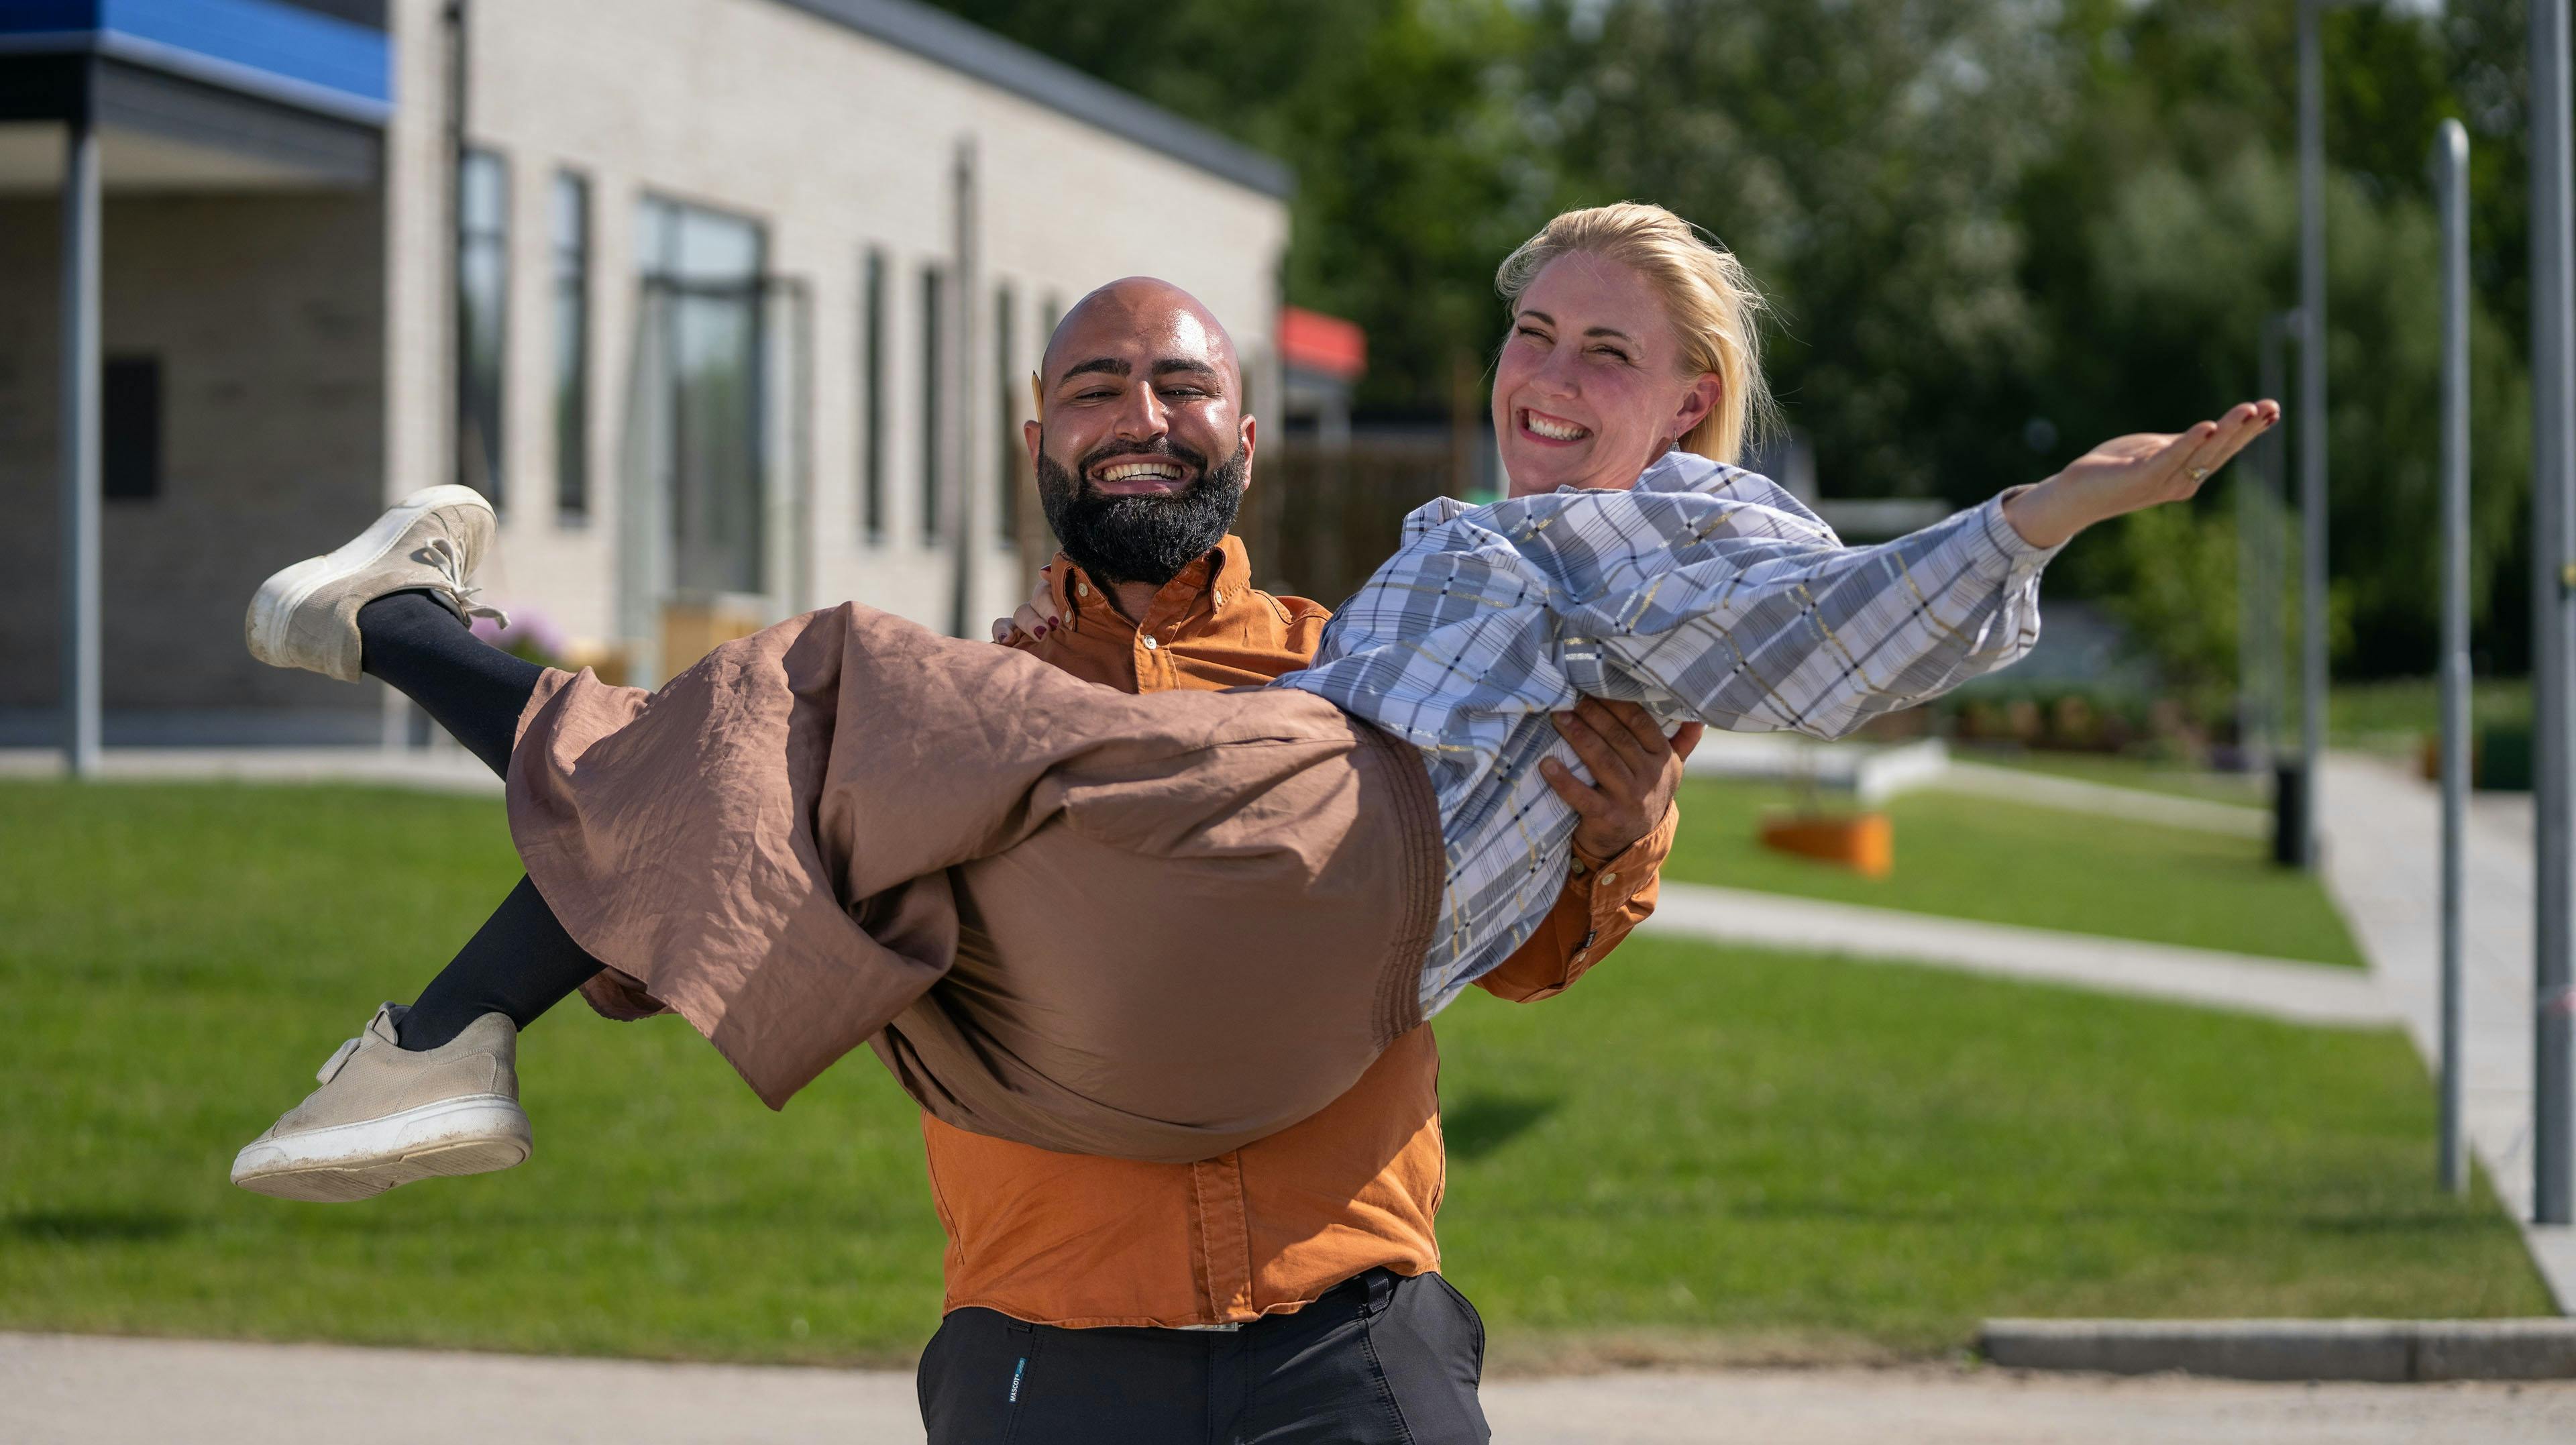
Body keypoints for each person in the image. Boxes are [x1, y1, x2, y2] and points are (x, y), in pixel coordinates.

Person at [230, 200, 2270, 1216]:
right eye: (1533, 334)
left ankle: (421, 851)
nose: (1549, 377)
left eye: (1609, 352)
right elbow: (722, 856)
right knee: (790, 724)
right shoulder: (1044, 671)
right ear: (1037, 428)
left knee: (816, 690)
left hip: (1309, 1149)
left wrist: (2041, 514)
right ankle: (433, 942)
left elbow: (1821, 633)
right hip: (1078, 1160)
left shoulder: (1561, 564)